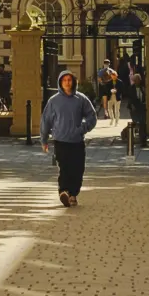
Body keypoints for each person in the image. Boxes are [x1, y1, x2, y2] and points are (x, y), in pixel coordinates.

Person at [40, 70, 97, 207]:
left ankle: (73, 194)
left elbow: (92, 116)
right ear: (60, 82)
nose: (67, 82)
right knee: (64, 168)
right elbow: (46, 120)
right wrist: (44, 139)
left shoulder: (81, 99)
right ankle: (63, 192)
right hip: (61, 140)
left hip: (77, 141)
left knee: (77, 169)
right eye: (64, 80)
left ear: (73, 82)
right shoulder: (54, 101)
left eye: (69, 80)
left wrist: (82, 128)